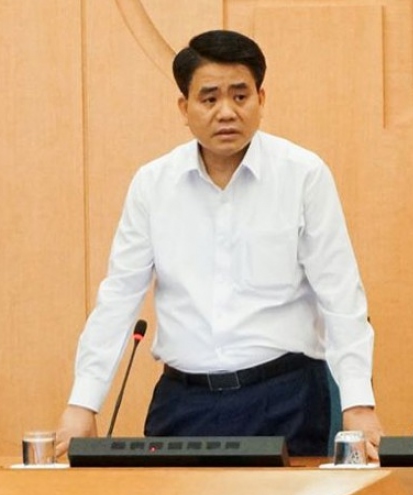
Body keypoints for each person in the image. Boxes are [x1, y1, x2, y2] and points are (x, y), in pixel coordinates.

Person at [55, 29, 382, 459]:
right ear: (184, 108)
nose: (226, 111)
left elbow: (340, 295)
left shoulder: (303, 175)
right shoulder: (153, 184)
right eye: (209, 99)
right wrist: (83, 402)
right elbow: (119, 297)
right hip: (183, 403)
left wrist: (358, 404)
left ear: (261, 99)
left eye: (240, 96)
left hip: (286, 398)